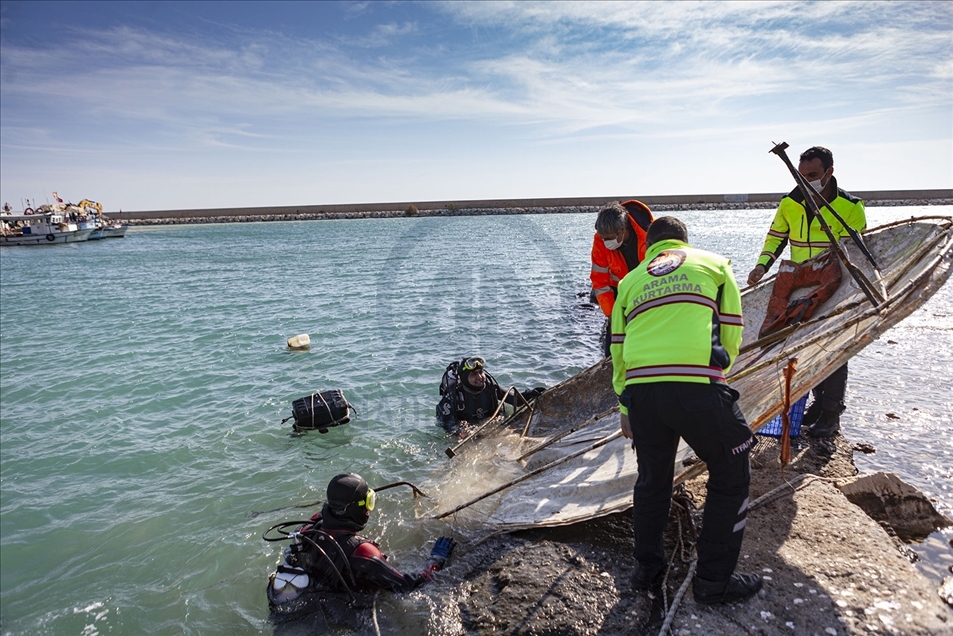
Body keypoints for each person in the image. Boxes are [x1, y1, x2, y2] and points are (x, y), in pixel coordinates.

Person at [610, 216, 761, 605]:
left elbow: (617, 349)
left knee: (652, 481)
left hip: (642, 394)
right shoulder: (713, 264)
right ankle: (713, 583)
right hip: (697, 388)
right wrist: (715, 373)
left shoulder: (630, 281)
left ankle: (647, 569)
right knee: (731, 471)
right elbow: (731, 328)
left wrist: (625, 403)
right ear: (684, 241)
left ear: (648, 248)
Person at [746, 146, 866, 438]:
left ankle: (830, 414)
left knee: (834, 346)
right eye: (802, 175)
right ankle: (815, 406)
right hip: (799, 282)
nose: (806, 180)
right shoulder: (790, 202)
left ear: (829, 173)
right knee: (800, 345)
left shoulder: (850, 206)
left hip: (834, 285)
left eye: (812, 175)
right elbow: (776, 238)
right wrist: (762, 267)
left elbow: (857, 253)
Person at [266, 473, 456, 610]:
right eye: (368, 502)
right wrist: (435, 560)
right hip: (338, 613)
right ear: (353, 509)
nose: (369, 510)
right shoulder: (363, 552)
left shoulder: (309, 527)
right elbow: (406, 586)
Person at [591, 200, 654, 357]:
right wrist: (612, 316)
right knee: (612, 347)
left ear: (623, 229)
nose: (605, 242)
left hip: (648, 289)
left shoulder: (650, 235)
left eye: (609, 238)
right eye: (603, 238)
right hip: (618, 290)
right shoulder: (600, 239)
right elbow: (600, 282)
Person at [436, 356, 543, 433]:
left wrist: (530, 394)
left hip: (493, 425)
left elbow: (517, 401)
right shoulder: (452, 399)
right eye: (474, 374)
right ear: (464, 378)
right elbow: (448, 426)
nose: (480, 377)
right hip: (470, 431)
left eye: (480, 372)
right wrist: (466, 432)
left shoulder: (490, 387)